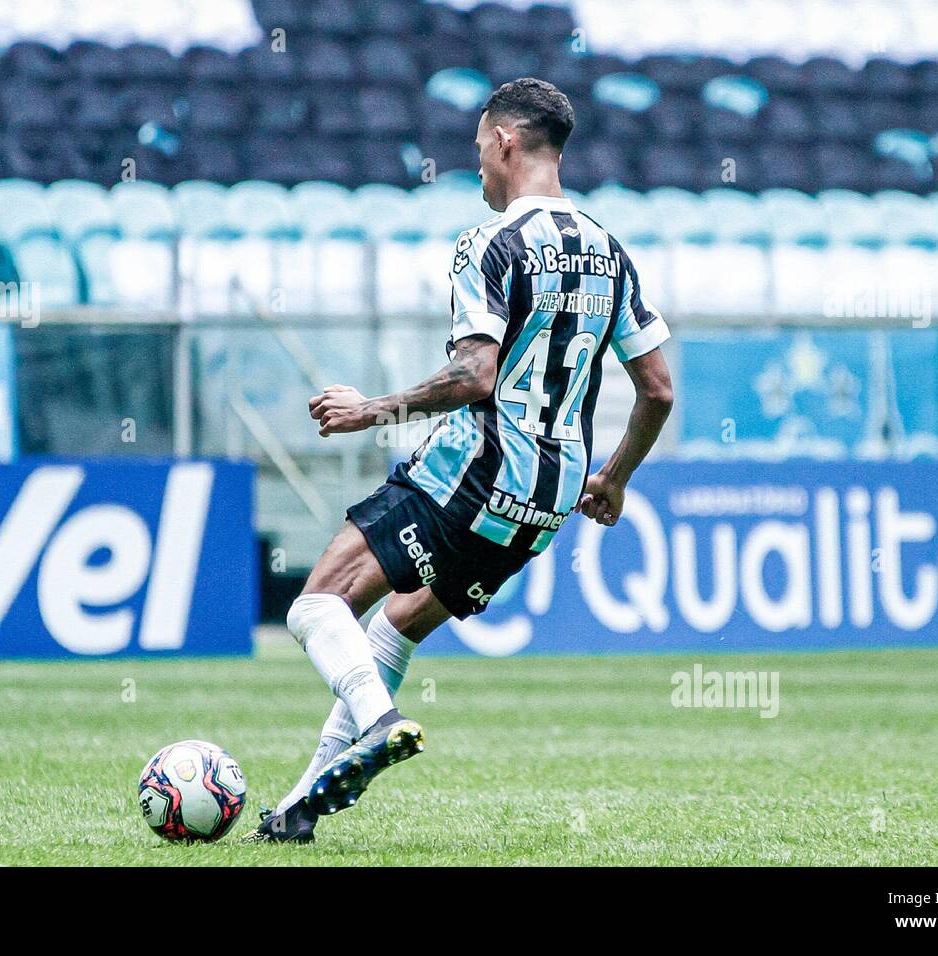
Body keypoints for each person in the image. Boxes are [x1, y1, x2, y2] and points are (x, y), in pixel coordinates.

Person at [247, 78, 674, 844]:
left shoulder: (490, 244)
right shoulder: (612, 253)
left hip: (476, 467)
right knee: (399, 624)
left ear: (506, 140)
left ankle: (379, 720)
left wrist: (371, 411)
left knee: (316, 605)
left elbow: (474, 377)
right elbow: (659, 390)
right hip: (548, 498)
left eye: (479, 145)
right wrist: (615, 478)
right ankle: (299, 809)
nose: (475, 162)